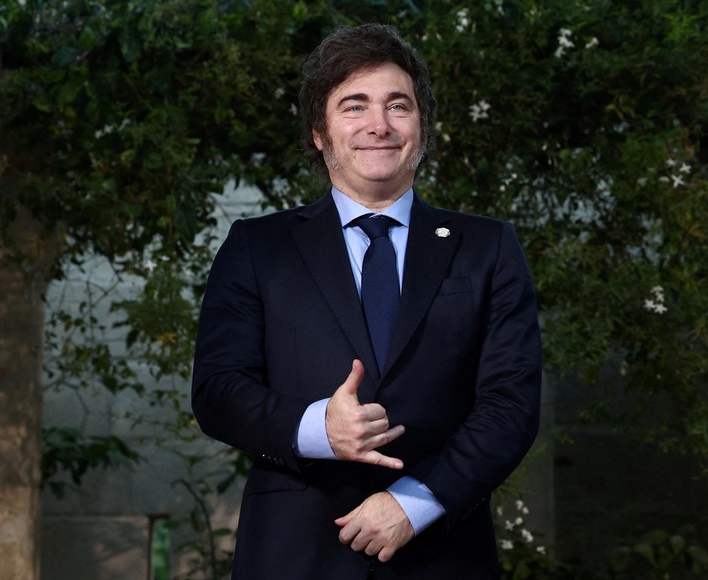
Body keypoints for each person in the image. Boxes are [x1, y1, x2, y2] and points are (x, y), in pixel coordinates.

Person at [191, 23, 542, 579]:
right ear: (319, 133)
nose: (378, 125)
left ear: (421, 128)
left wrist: (416, 502)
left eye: (397, 106)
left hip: (442, 553)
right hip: (295, 552)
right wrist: (317, 428)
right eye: (354, 106)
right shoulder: (259, 247)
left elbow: (511, 404)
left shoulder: (487, 248)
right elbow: (217, 390)